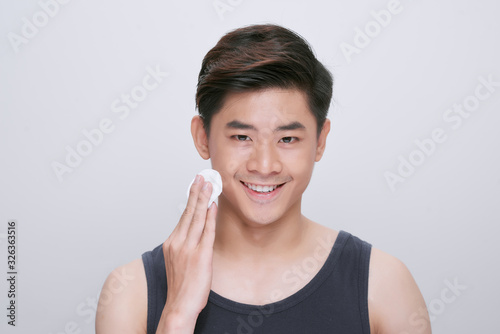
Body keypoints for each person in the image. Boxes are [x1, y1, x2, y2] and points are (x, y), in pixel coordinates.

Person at [96, 24, 431, 334]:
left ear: (320, 141)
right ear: (203, 137)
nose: (265, 164)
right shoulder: (130, 292)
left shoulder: (383, 285)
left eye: (287, 139)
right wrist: (177, 316)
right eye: (242, 137)